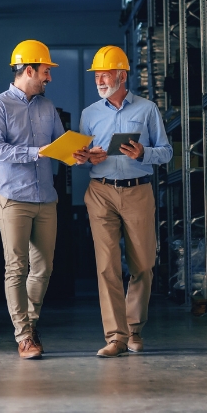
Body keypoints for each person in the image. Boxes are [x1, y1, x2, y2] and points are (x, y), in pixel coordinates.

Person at [73, 45, 172, 357]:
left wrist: (144, 152)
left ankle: (135, 330)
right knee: (107, 266)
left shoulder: (147, 110)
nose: (100, 80)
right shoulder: (89, 114)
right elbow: (81, 157)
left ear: (122, 75)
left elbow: (167, 151)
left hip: (138, 190)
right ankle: (116, 336)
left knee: (143, 263)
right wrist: (88, 157)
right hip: (100, 191)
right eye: (97, 75)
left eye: (106, 74)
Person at [0, 40, 66, 360]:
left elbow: (59, 145)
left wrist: (81, 153)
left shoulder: (47, 107)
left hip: (45, 196)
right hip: (13, 197)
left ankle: (30, 325)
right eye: (45, 72)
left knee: (43, 267)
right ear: (28, 70)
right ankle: (23, 335)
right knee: (16, 266)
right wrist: (36, 152)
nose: (49, 78)